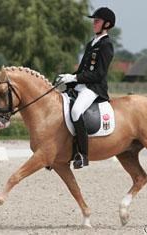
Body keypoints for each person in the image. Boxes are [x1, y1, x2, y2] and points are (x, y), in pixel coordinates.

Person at [58, 7, 115, 169]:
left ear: (107, 24)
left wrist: (75, 78)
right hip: (81, 86)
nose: (94, 24)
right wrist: (69, 77)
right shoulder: (92, 43)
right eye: (94, 21)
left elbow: (98, 74)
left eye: (97, 21)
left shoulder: (106, 45)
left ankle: (83, 155)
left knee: (76, 111)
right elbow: (83, 70)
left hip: (94, 88)